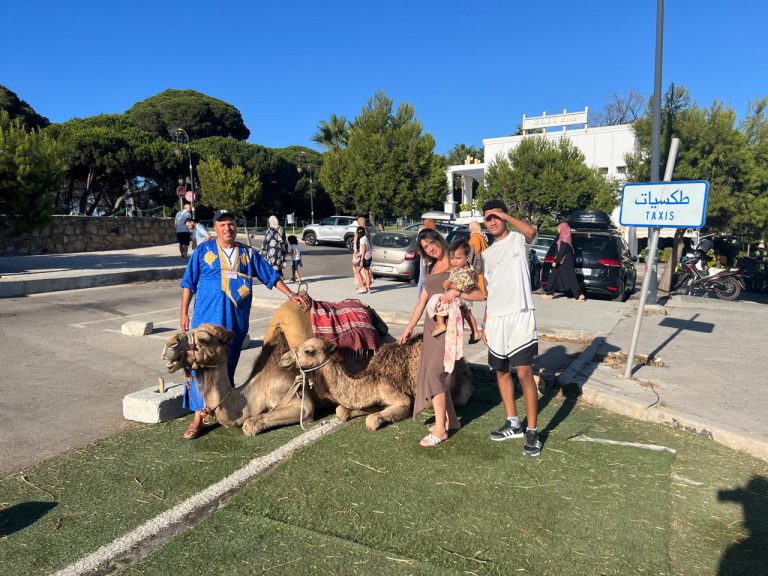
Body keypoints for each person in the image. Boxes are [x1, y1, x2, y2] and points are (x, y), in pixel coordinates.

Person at [179, 210, 307, 439]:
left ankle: (220, 407)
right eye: (222, 225)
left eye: (230, 224)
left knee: (226, 367)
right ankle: (198, 417)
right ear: (215, 228)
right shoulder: (203, 251)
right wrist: (184, 313)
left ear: (235, 227)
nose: (227, 229)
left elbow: (270, 276)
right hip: (205, 323)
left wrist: (290, 295)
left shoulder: (248, 254)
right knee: (197, 367)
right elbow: (188, 283)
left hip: (234, 325)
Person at [465, 199, 542, 457]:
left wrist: (506, 216)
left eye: (496, 216)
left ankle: (532, 430)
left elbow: (532, 233)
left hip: (520, 314)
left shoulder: (519, 240)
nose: (493, 221)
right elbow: (485, 291)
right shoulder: (485, 255)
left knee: (524, 373)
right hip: (496, 319)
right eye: (488, 218)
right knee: (501, 371)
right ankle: (513, 423)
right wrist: (463, 299)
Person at [399, 228, 480, 447]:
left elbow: (481, 294)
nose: (430, 248)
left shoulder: (456, 262)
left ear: (439, 239)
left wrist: (456, 293)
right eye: (424, 247)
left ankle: (440, 429)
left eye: (431, 243)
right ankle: (452, 421)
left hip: (449, 328)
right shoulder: (430, 267)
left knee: (436, 374)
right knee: (435, 373)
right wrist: (408, 329)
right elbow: (421, 302)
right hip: (431, 326)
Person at [426, 239, 481, 344]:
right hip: (464, 297)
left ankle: (441, 324)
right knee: (468, 314)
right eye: (452, 258)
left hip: (461, 296)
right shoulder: (463, 269)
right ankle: (475, 332)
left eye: (458, 258)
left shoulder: (465, 272)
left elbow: (467, 285)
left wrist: (452, 285)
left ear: (467, 258)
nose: (454, 261)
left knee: (438, 300)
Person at [541, 222, 585, 302]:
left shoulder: (565, 239)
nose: (558, 229)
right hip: (562, 261)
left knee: (571, 277)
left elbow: (562, 251)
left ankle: (579, 295)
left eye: (559, 228)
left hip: (566, 261)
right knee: (553, 275)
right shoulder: (562, 238)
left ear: (563, 229)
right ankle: (549, 293)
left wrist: (555, 261)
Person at [467, 219, 489, 294]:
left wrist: (469, 256)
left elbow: (476, 249)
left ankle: (482, 293)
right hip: (484, 260)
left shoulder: (475, 237)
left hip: (478, 261)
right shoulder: (481, 236)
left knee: (479, 277)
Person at [353, 226, 372, 294]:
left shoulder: (362, 239)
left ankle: (362, 287)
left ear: (358, 233)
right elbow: (367, 249)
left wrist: (361, 260)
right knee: (367, 273)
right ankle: (368, 289)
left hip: (363, 258)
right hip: (369, 257)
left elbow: (363, 250)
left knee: (357, 271)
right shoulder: (366, 238)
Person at [352, 216, 367, 288]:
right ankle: (365, 284)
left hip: (360, 253)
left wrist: (356, 253)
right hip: (366, 254)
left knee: (358, 269)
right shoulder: (366, 231)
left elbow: (356, 242)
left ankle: (362, 285)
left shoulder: (358, 231)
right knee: (364, 270)